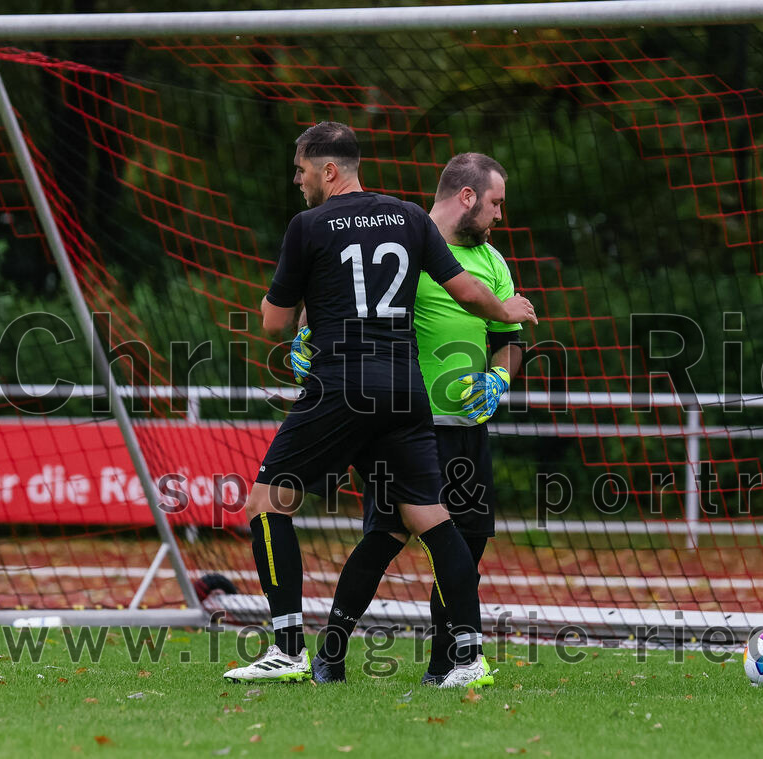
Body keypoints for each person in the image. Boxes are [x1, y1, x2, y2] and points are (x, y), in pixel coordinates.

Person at [222, 123, 537, 687]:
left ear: (328, 170)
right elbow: (465, 290)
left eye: (300, 170)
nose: (296, 181)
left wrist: (298, 332)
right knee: (437, 523)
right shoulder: (410, 218)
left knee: (267, 502)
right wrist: (507, 314)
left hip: (342, 384)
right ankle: (468, 658)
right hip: (407, 391)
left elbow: (273, 321)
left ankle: (290, 648)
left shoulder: (308, 225)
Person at [298, 153, 525, 687]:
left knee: (466, 545)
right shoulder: (402, 243)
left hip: (467, 430)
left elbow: (511, 343)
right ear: (466, 197)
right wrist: (308, 337)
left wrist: (500, 381)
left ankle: (445, 666)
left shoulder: (493, 260)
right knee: (385, 540)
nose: (500, 216)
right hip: (406, 427)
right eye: (495, 203)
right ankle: (330, 654)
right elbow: (334, 297)